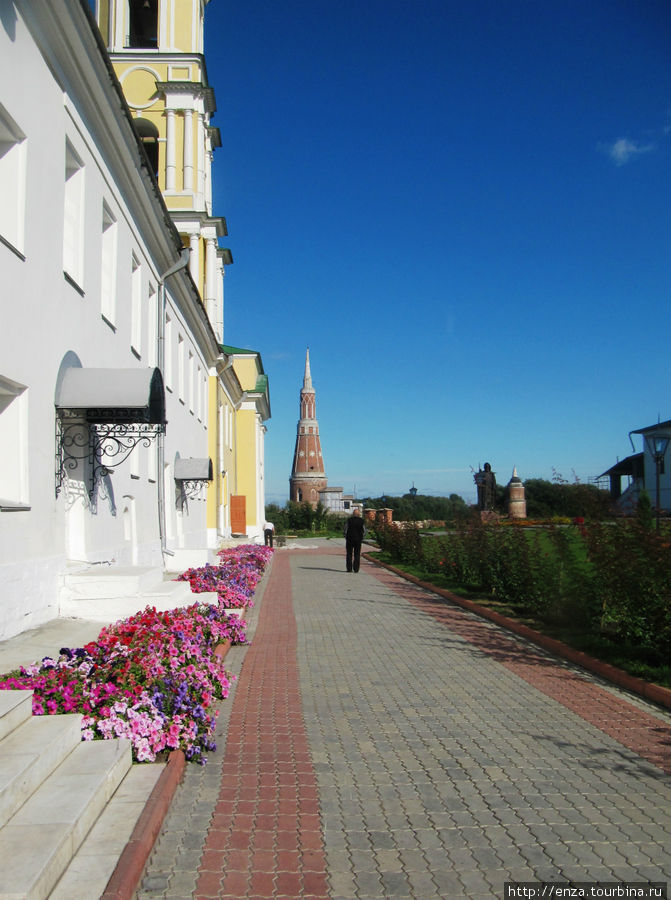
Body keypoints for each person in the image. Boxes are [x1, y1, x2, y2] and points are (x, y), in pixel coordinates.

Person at [343, 507, 366, 573]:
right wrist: (362, 537)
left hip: (349, 539)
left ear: (353, 514)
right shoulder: (362, 521)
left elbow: (345, 529)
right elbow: (364, 531)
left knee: (349, 554)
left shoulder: (349, 520)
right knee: (357, 554)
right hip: (358, 540)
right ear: (359, 514)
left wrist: (345, 536)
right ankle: (356, 569)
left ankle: (349, 569)